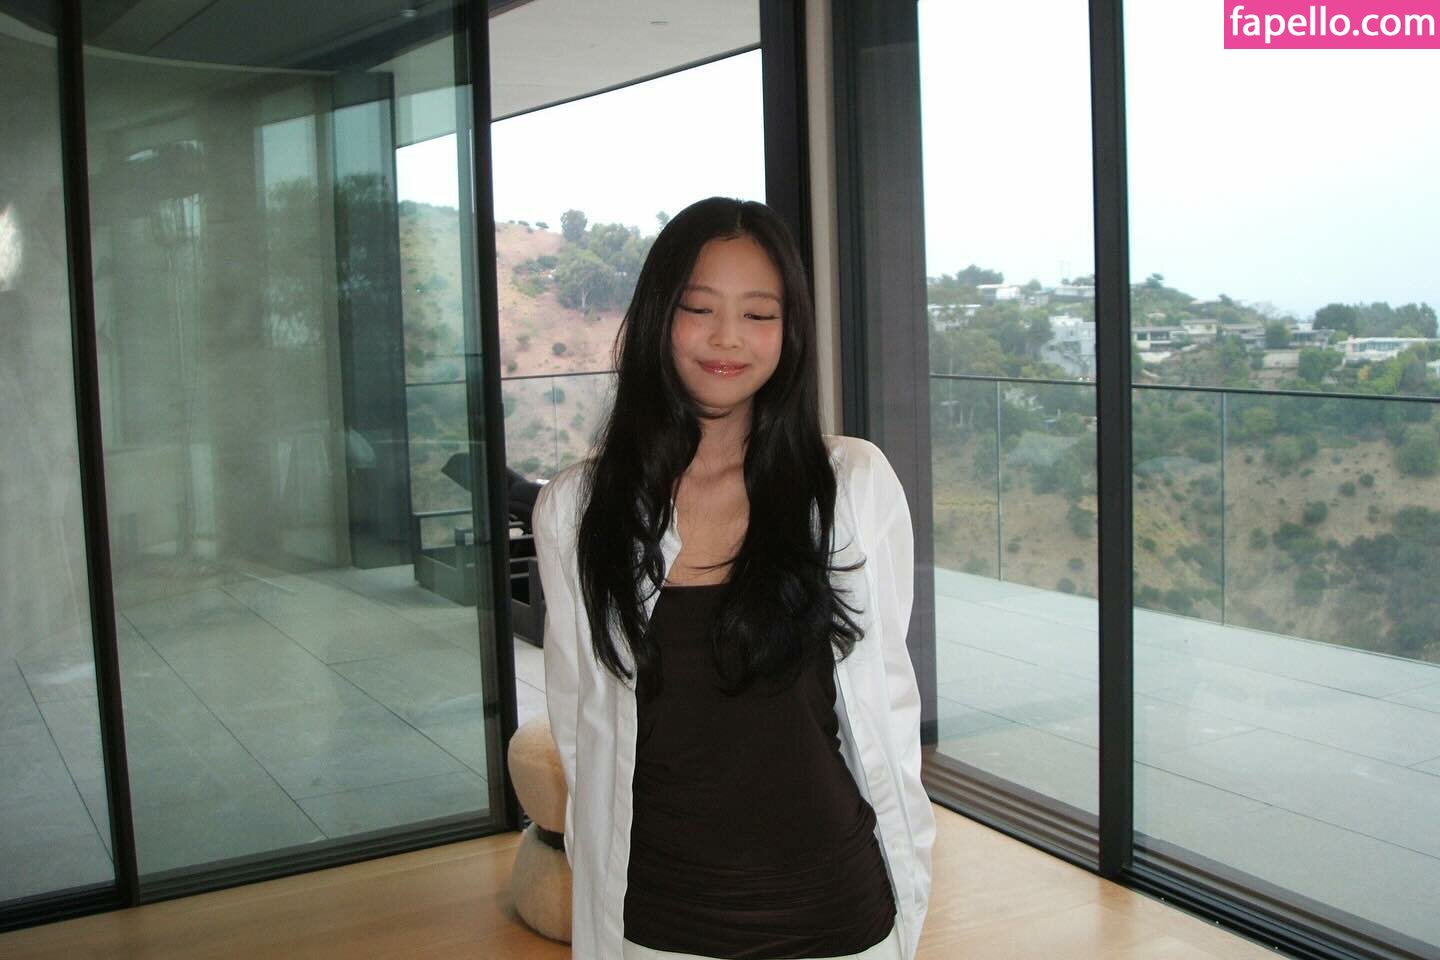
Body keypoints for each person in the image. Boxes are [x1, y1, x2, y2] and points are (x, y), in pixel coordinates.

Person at [531, 197, 934, 960]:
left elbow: (887, 702)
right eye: (699, 309)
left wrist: (912, 875)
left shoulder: (851, 486)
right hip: (659, 921)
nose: (728, 337)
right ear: (658, 317)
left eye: (759, 314)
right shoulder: (577, 511)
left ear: (790, 330)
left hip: (835, 914)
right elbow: (583, 727)